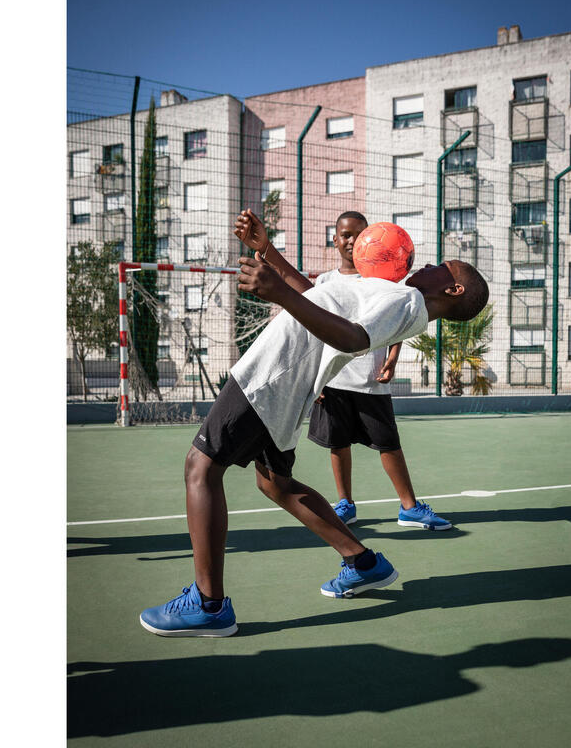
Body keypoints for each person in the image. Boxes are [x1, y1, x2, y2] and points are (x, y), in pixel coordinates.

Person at [139, 209, 489, 637]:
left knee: (201, 466)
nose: (428, 265)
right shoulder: (389, 292)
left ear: (451, 288)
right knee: (275, 483)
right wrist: (267, 250)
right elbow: (316, 295)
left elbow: (352, 338)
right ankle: (362, 562)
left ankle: (209, 605)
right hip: (286, 383)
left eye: (440, 268)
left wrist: (278, 295)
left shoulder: (406, 302)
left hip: (272, 378)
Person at [310, 211, 452, 530]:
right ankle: (345, 503)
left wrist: (392, 358)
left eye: (359, 234)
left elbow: (395, 324)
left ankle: (409, 506)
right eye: (345, 234)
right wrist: (316, 378)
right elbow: (317, 330)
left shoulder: (382, 280)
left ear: (368, 240)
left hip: (370, 380)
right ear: (335, 240)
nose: (351, 240)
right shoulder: (324, 282)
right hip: (334, 379)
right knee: (338, 443)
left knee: (388, 443)